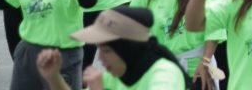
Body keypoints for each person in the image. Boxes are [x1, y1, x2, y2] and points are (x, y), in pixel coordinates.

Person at [36, 7, 189, 90]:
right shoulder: (117, 74)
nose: (100, 58)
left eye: (107, 50)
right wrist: (54, 77)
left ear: (127, 48)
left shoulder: (164, 74)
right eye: (100, 49)